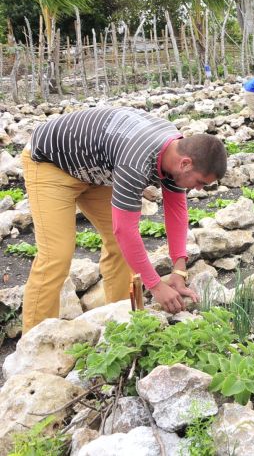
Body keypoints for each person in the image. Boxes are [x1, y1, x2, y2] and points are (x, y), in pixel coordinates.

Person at [20, 107, 228, 333]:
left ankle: (120, 320)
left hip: (96, 170)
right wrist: (156, 286)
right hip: (51, 163)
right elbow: (125, 230)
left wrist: (178, 271)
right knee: (56, 255)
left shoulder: (173, 153)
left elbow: (177, 212)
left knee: (120, 249)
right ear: (186, 164)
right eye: (200, 182)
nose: (198, 189)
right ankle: (34, 340)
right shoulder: (135, 161)